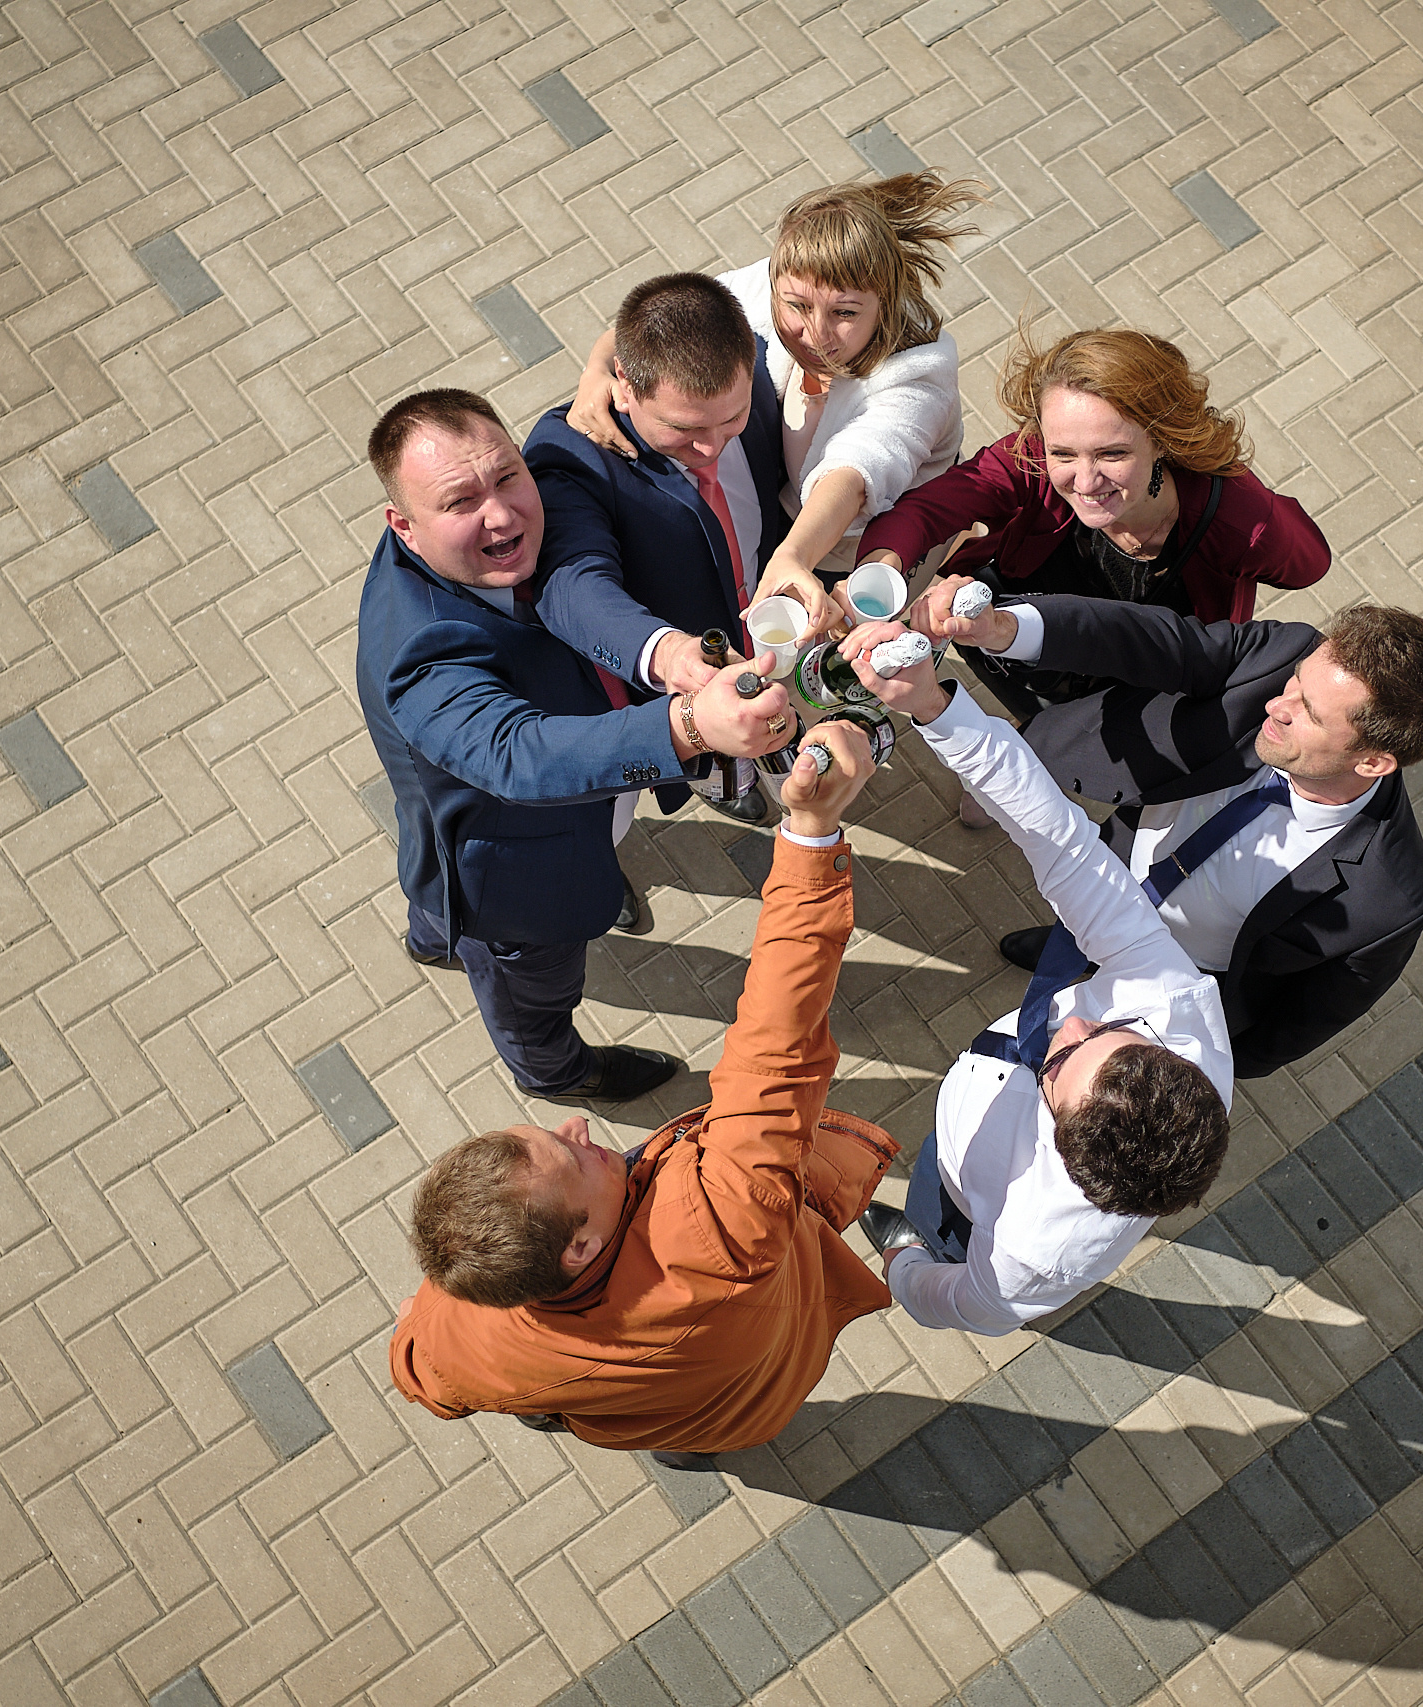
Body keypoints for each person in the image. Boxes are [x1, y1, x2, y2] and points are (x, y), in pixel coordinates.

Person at [389, 721, 899, 1467]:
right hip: (750, 1392)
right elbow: (775, 1039)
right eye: (573, 1157)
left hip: (650, 1409)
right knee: (715, 1416)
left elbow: (420, 1372)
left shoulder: (464, 1334)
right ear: (582, 1246)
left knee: (679, 1435)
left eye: (551, 1134)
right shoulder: (723, 1228)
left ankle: (680, 1449)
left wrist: (415, 1339)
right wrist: (813, 832)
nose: (578, 1128)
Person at [356, 388, 796, 1102]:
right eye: (460, 501)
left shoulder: (523, 496)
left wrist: (600, 367)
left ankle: (432, 933)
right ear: (402, 526)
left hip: (559, 806)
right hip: (514, 874)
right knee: (531, 992)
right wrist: (689, 728)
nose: (500, 513)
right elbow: (516, 754)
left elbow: (603, 401)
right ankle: (555, 1071)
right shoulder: (419, 653)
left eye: (506, 476)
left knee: (435, 889)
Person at [828, 622, 1235, 1337]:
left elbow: (967, 1306)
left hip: (965, 1202)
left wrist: (905, 1269)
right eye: (1111, 1030)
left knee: (933, 1224)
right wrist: (933, 705)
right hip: (976, 1118)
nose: (1070, 1021)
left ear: (1069, 1150)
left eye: (1063, 1060)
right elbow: (1067, 847)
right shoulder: (1175, 1007)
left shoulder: (1028, 1252)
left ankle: (914, 1230)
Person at [916, 578, 1423, 1082]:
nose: (1276, 704)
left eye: (1312, 715)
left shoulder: (1391, 901)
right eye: (1298, 684)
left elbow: (1299, 1024)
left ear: (1374, 762)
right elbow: (1154, 639)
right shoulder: (1284, 653)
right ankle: (1064, 947)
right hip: (1117, 871)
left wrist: (1207, 1066)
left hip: (1168, 985)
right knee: (1071, 933)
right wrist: (1004, 627)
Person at [853, 326, 1333, 724]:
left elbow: (1308, 565)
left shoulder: (1240, 519)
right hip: (1009, 632)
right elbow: (926, 510)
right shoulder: (1030, 457)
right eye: (1064, 452)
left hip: (1146, 683)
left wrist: (1254, 508)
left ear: (1163, 440)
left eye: (1113, 453)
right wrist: (876, 573)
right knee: (1036, 714)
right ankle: (1030, 741)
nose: (1084, 481)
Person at [562, 173, 983, 626]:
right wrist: (599, 368)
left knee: (864, 645)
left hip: (867, 541)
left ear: (885, 301)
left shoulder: (919, 378)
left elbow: (855, 471)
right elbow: (669, 323)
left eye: (844, 313)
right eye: (797, 306)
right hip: (791, 517)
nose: (816, 334)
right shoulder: (773, 288)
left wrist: (794, 555)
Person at [525, 272, 797, 822]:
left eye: (733, 419)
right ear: (622, 384)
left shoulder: (760, 365)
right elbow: (571, 584)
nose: (712, 445)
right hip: (685, 668)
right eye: (682, 429)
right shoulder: (571, 456)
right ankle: (722, 784)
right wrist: (668, 653)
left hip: (768, 625)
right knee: (719, 750)